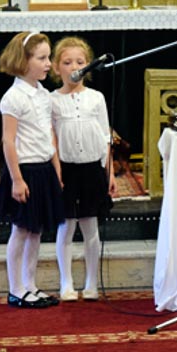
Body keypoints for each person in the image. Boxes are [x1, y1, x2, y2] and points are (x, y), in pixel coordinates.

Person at [0, 31, 64, 309]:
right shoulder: (13, 97)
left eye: (49, 58)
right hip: (24, 171)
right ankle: (15, 289)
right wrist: (17, 180)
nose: (48, 64)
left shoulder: (43, 94)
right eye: (42, 58)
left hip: (44, 169)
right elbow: (8, 141)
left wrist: (56, 170)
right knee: (21, 231)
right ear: (24, 61)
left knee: (37, 231)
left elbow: (48, 135)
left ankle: (30, 284)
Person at [50, 37, 115, 301]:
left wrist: (109, 171)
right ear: (57, 68)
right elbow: (52, 139)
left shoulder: (96, 98)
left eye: (80, 62)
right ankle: (66, 283)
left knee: (90, 226)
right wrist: (56, 172)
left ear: (88, 66)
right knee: (66, 227)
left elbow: (105, 136)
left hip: (92, 169)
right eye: (67, 62)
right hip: (66, 170)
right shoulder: (52, 101)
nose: (74, 67)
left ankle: (91, 283)